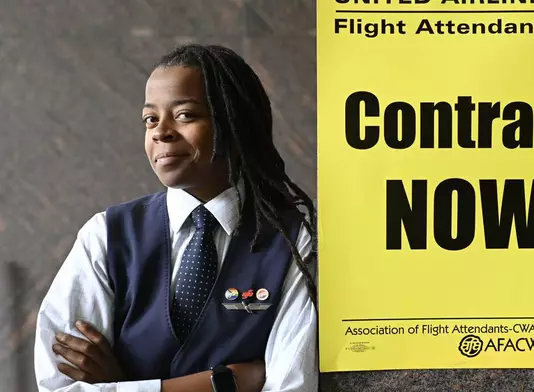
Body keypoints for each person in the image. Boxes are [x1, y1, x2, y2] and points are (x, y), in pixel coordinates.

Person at [33, 44, 319, 392]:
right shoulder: (105, 236)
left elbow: (291, 386)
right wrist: (225, 383)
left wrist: (120, 385)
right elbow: (57, 387)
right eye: (150, 119)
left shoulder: (294, 239)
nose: (160, 131)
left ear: (235, 123)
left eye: (185, 115)